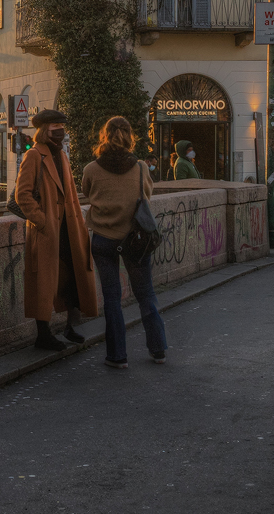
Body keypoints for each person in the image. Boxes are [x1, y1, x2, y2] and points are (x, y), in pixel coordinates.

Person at [81, 115, 165, 368]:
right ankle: (158, 349)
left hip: (104, 240)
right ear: (130, 136)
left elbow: (87, 192)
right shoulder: (140, 168)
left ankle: (117, 356)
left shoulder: (91, 169)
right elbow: (147, 195)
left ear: (104, 136)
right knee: (146, 294)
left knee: (112, 299)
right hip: (135, 240)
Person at [14, 108, 99, 352]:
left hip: (69, 228)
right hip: (48, 230)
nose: (61, 133)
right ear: (44, 131)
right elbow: (23, 196)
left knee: (73, 275)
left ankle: (70, 326)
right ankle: (43, 334)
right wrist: (43, 222)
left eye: (63, 129)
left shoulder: (61, 156)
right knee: (44, 282)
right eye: (56, 129)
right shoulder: (34, 156)